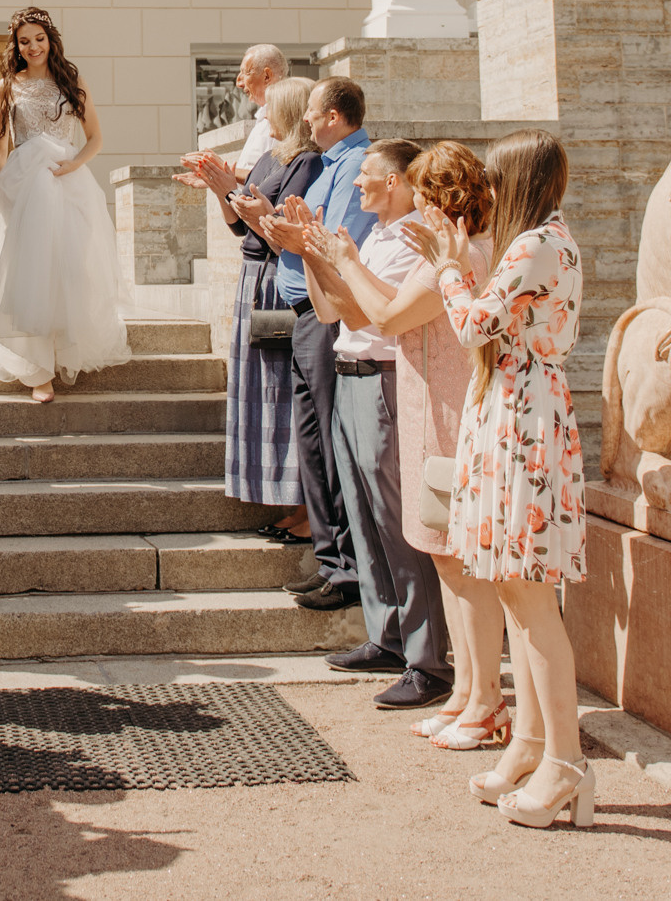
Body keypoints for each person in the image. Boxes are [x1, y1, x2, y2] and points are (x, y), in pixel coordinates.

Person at [401, 129, 592, 830]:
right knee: (516, 591)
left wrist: (451, 271)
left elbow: (473, 325)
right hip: (515, 410)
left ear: (518, 181)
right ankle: (533, 745)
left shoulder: (536, 243)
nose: (489, 188)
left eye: (497, 177)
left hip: (522, 417)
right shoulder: (544, 239)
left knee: (530, 598)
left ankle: (565, 762)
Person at [291, 138, 482, 714]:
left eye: (366, 174)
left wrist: (336, 260)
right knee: (364, 513)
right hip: (350, 371)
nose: (356, 182)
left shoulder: (411, 241)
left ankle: (428, 660)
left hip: (384, 377)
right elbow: (330, 311)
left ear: (395, 181)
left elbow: (374, 315)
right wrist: (310, 252)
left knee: (400, 520)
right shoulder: (375, 236)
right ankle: (387, 636)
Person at [0, 7, 132, 402]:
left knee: (68, 269)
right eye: (24, 41)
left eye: (39, 39)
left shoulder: (72, 81)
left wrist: (74, 164)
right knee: (29, 273)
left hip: (68, 184)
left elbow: (95, 138)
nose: (33, 47)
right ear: (16, 45)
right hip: (24, 186)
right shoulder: (6, 87)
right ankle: (37, 370)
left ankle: (63, 349)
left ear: (50, 40)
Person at [254, 77, 378, 614]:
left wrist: (292, 235)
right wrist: (270, 224)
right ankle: (331, 564)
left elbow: (332, 244)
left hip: (327, 314)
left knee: (329, 442)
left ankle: (348, 571)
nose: (305, 119)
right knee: (311, 442)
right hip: (305, 313)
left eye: (311, 111)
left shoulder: (355, 165)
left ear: (333, 116)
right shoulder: (330, 165)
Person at [181, 75, 318, 541]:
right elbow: (241, 226)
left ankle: (305, 508)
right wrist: (220, 188)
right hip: (254, 277)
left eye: (271, 107)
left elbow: (275, 227)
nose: (264, 115)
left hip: (280, 281)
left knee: (281, 390)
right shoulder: (269, 156)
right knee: (261, 389)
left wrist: (232, 193)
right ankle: (287, 501)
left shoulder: (306, 161)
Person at [229, 44, 291, 177]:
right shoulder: (262, 117)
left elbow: (273, 179)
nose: (239, 83)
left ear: (267, 76)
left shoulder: (285, 118)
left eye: (245, 72)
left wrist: (221, 170)